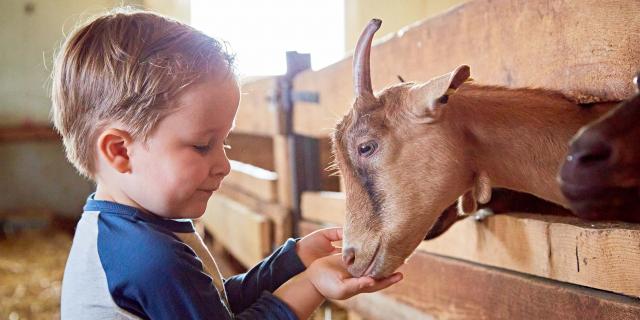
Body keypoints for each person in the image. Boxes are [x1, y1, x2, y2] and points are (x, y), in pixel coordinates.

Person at [52, 8, 402, 320]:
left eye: (225, 141)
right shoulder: (150, 260)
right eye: (203, 145)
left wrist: (292, 261)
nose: (224, 164)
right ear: (120, 151)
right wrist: (311, 285)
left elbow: (214, 302)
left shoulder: (119, 229)